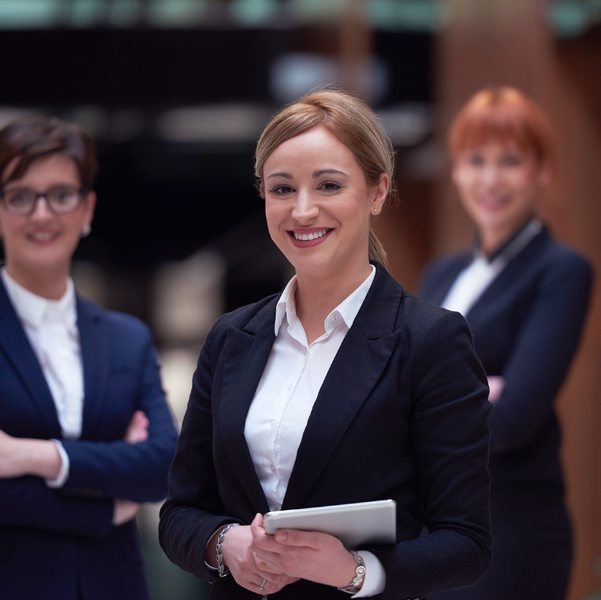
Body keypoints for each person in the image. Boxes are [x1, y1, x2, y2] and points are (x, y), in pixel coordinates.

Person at [158, 89, 492, 600]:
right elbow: (181, 511)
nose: (303, 210)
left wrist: (355, 570)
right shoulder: (231, 338)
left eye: (329, 185)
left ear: (378, 191)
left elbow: (466, 542)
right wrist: (225, 544)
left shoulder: (430, 341)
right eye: (282, 189)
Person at [0, 116, 178, 600]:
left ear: (87, 209)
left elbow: (162, 465)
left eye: (61, 194)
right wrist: (111, 506)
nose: (42, 214)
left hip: (110, 585)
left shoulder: (129, 338)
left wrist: (32, 455)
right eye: (21, 196)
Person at [419, 87, 593, 600]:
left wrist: (422, 410)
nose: (490, 180)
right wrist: (474, 394)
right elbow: (393, 388)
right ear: (455, 171)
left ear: (541, 169)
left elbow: (515, 417)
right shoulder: (442, 273)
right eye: (475, 160)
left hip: (510, 533)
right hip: (432, 533)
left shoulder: (560, 272)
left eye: (510, 161)